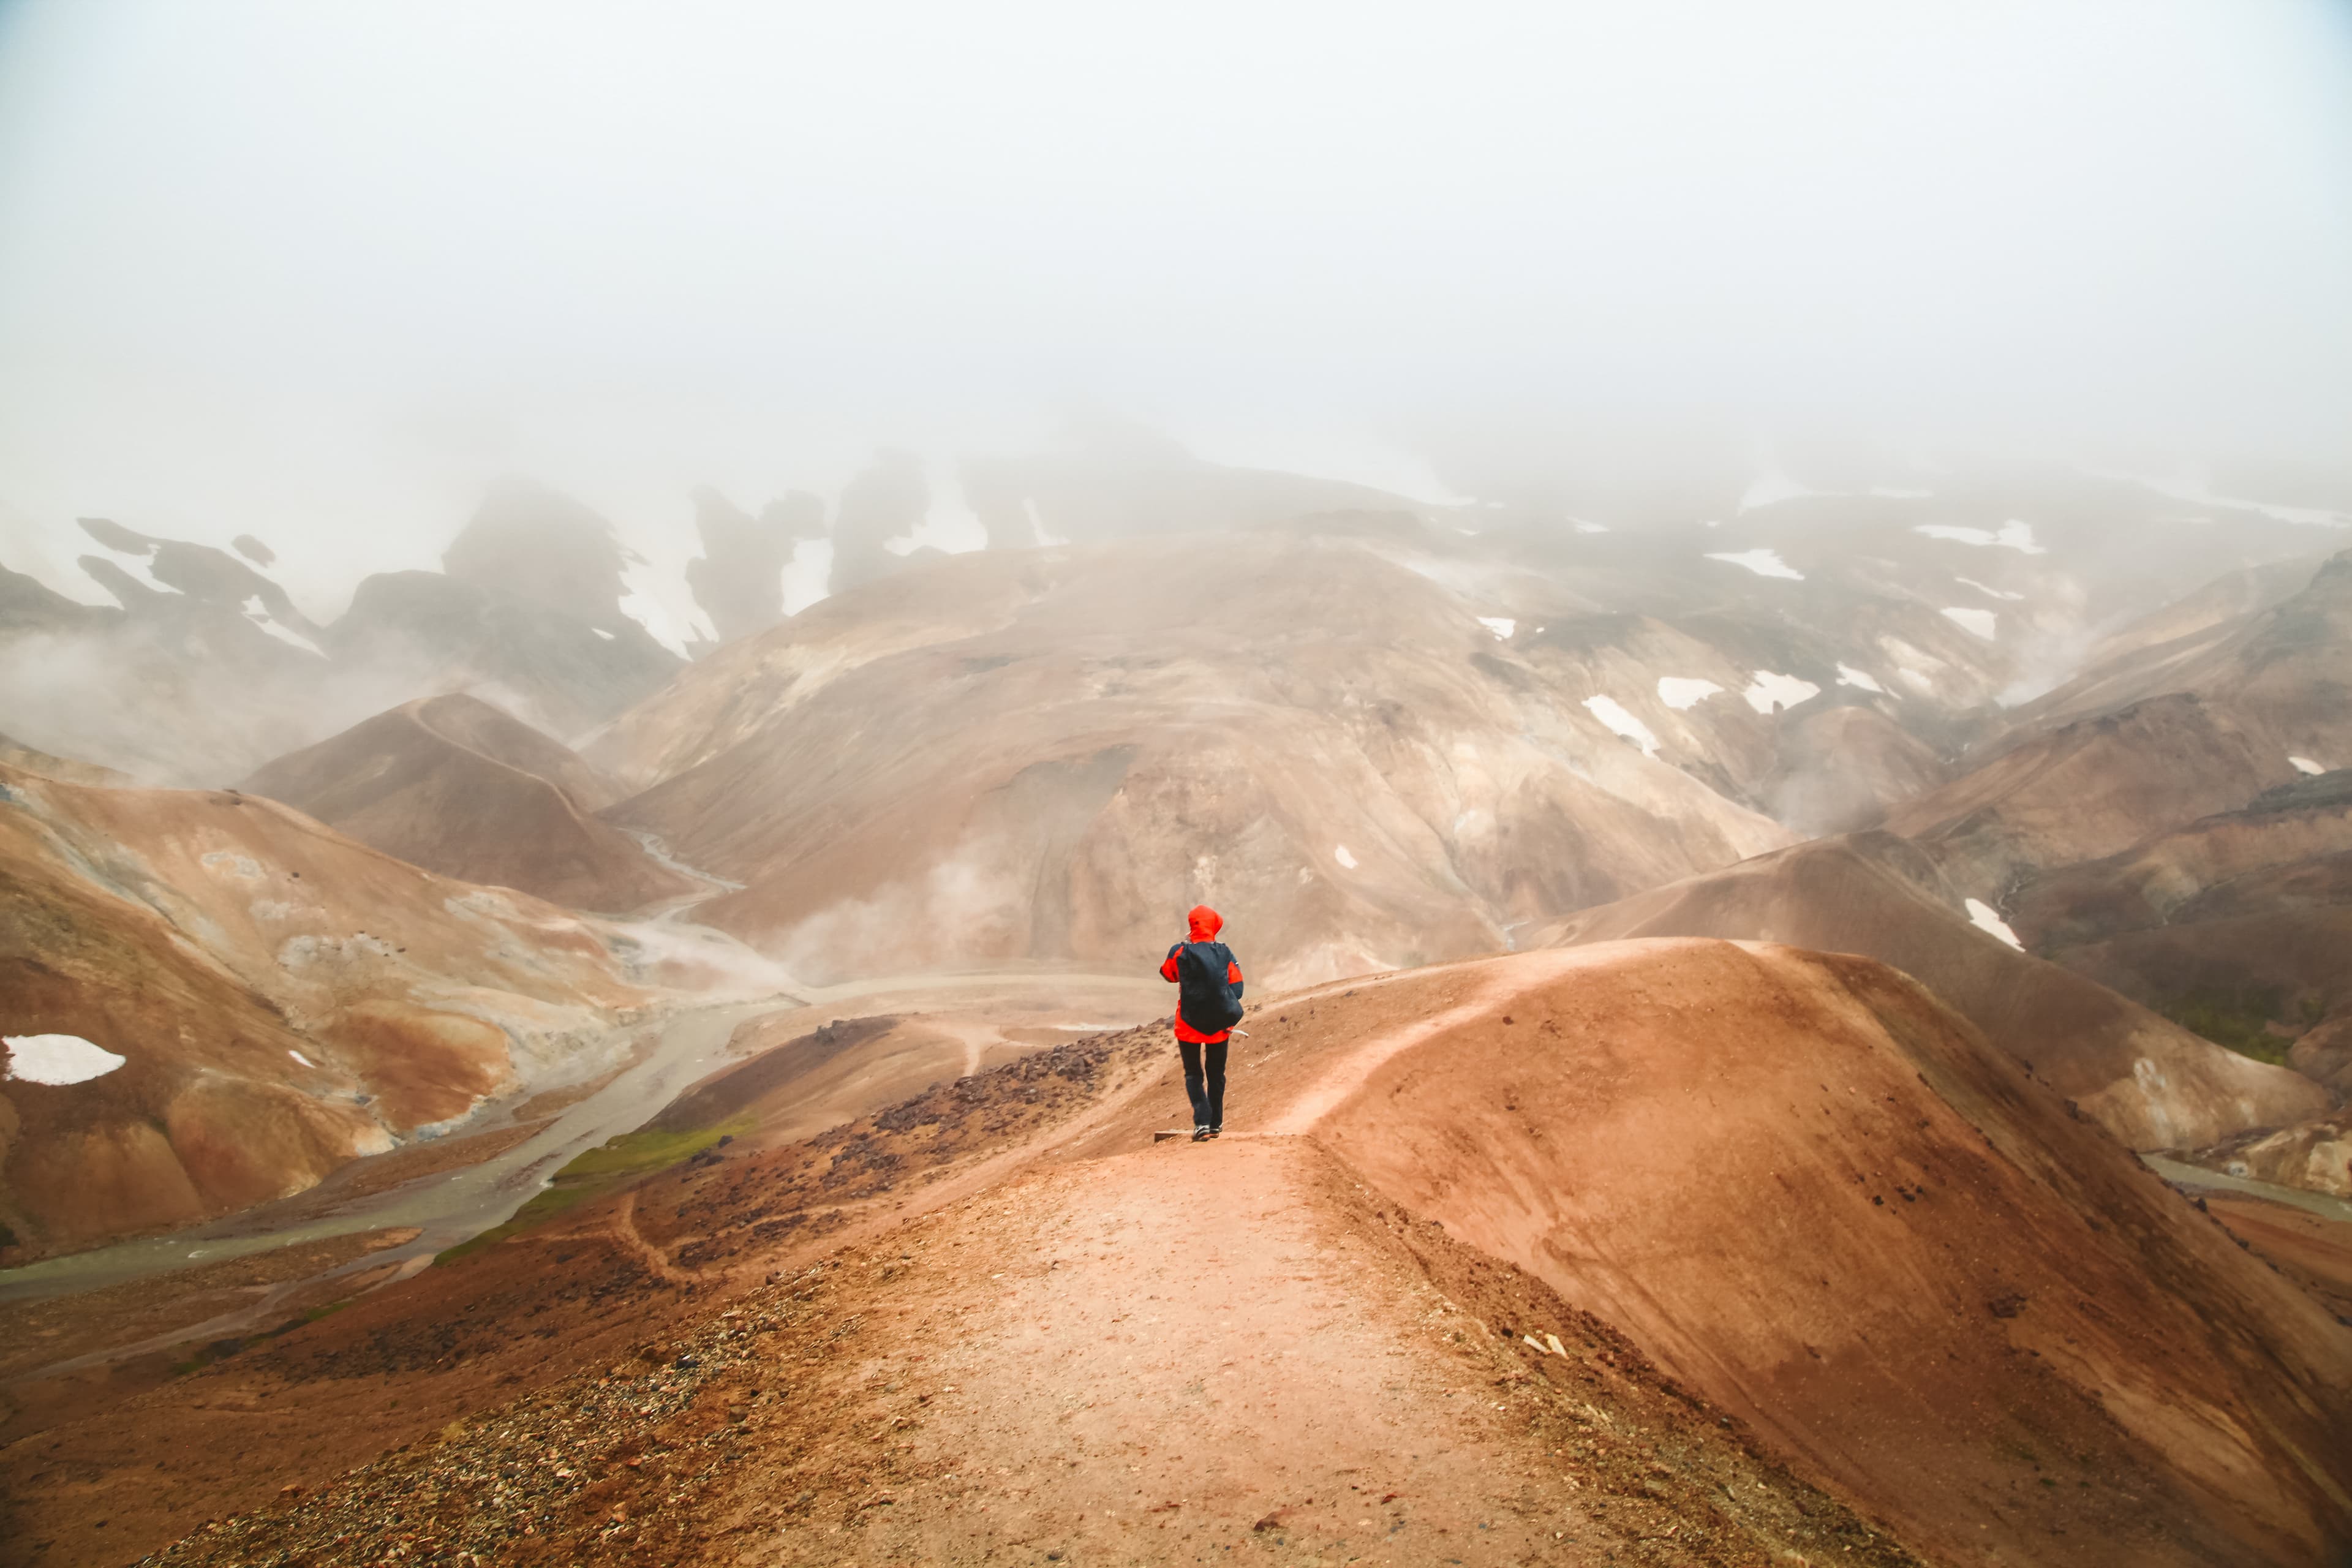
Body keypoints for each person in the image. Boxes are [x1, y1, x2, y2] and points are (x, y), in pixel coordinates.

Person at [1159, 903, 1243, 1141]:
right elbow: (1238, 988)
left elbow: (1168, 974)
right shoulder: (1225, 953)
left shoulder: (1180, 952)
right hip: (1220, 1027)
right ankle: (1216, 1124)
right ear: (1215, 924)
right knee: (1217, 1074)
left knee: (1193, 1074)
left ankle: (1202, 1123)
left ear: (1192, 925)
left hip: (1187, 1025)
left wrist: (1186, 950)